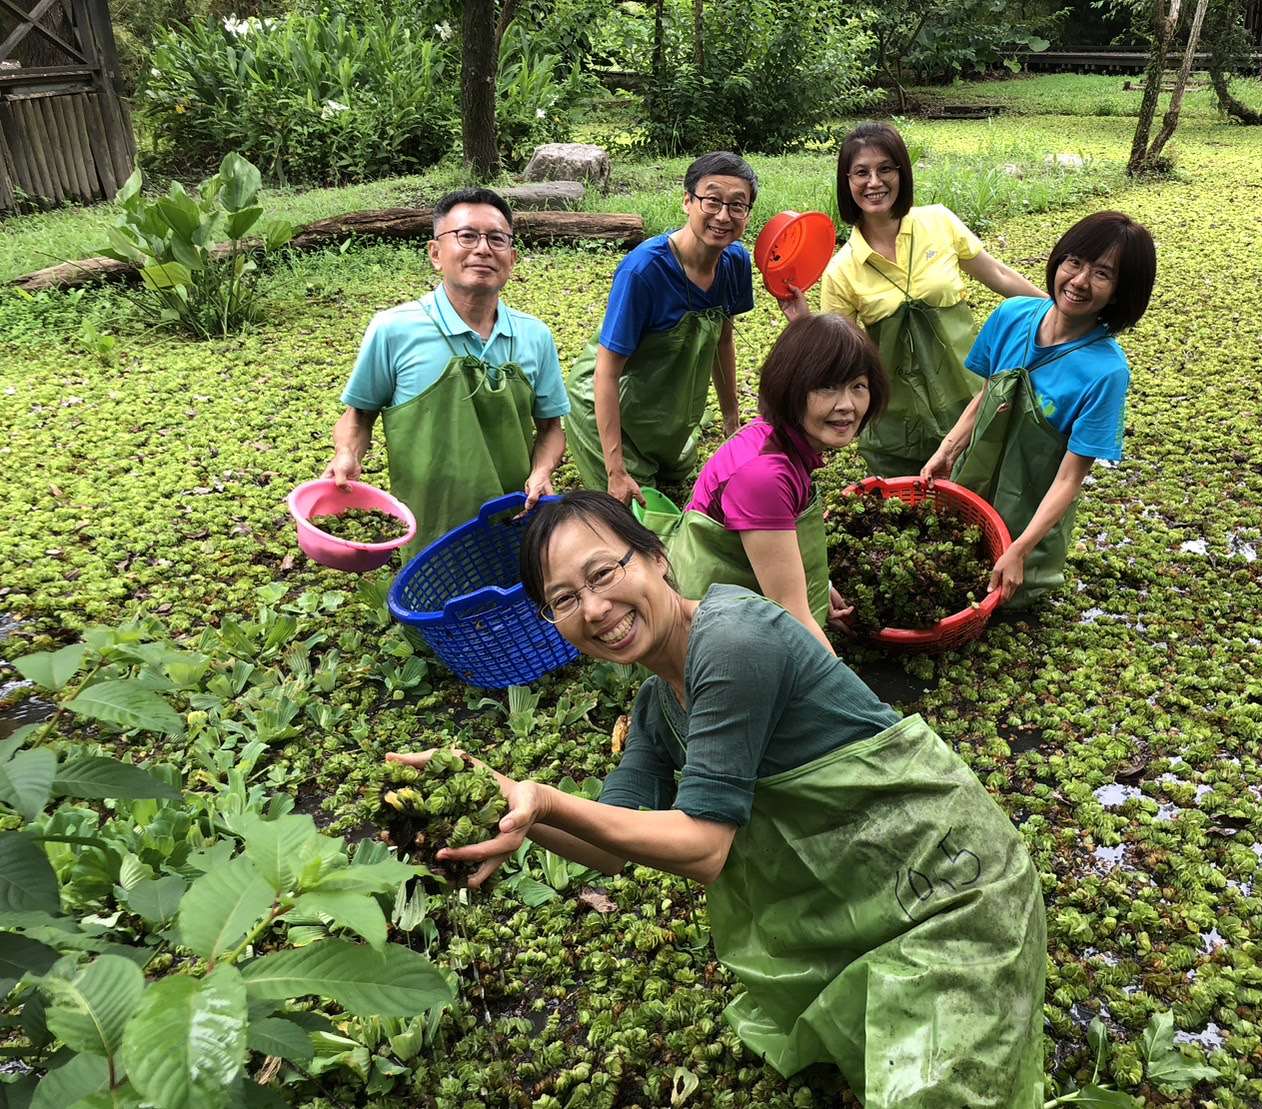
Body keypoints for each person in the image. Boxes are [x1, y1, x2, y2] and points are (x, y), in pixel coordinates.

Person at [391, 492, 1047, 1107]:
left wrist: (542, 799)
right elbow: (610, 848)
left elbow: (703, 848)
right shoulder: (655, 704)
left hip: (956, 890)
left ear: (655, 556)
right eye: (563, 598)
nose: (592, 608)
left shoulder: (732, 641)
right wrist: (506, 806)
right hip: (871, 894)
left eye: (603, 573)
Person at [921, 210, 1157, 607]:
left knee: (1004, 604)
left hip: (1029, 518)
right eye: (1075, 262)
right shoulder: (1011, 315)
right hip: (971, 488)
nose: (1079, 281)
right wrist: (947, 451)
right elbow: (986, 398)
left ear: (1119, 292)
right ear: (1059, 260)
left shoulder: (1106, 372)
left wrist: (1020, 549)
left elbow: (1069, 479)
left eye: (1102, 274)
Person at [790, 122, 1044, 478]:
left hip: (969, 391)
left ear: (902, 173)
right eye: (861, 172)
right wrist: (802, 325)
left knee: (984, 483)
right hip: (897, 419)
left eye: (885, 169)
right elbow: (839, 355)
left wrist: (1057, 311)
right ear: (847, 182)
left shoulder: (939, 222)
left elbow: (999, 276)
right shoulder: (842, 269)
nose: (874, 182)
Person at [325, 188, 569, 557]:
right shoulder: (394, 329)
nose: (483, 249)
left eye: (497, 239)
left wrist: (541, 471)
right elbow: (358, 416)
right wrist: (347, 454)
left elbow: (552, 428)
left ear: (512, 258)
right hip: (430, 532)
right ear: (436, 253)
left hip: (516, 523)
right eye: (467, 236)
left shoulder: (535, 335)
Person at [665, 314, 889, 652]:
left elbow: (776, 542)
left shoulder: (778, 437)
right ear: (791, 386)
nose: (846, 405)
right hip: (712, 642)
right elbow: (793, 618)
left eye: (858, 386)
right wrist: (857, 702)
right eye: (827, 386)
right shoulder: (764, 476)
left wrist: (819, 584)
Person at [563, 152, 756, 506]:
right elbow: (605, 373)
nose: (723, 216)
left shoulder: (736, 261)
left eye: (737, 205)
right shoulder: (643, 271)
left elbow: (722, 340)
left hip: (665, 413)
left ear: (747, 214)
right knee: (638, 516)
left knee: (676, 480)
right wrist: (615, 471)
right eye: (712, 201)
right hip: (605, 405)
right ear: (687, 201)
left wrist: (733, 424)